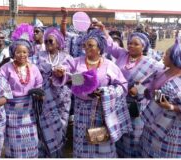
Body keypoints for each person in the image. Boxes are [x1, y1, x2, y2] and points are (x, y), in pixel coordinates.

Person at [53, 29, 132, 158]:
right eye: (85, 45)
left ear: (99, 49)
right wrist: (60, 72)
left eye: (91, 45)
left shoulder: (109, 65)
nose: (86, 48)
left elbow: (123, 86)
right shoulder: (76, 62)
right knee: (82, 142)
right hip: (81, 112)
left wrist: (105, 92)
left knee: (101, 142)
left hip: (102, 111)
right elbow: (68, 76)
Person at [101, 22, 164, 157]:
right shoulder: (123, 55)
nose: (131, 46)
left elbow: (156, 83)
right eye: (130, 43)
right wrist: (103, 30)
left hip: (136, 107)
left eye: (136, 44)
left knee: (134, 136)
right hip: (118, 103)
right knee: (119, 132)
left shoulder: (152, 64)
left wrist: (140, 89)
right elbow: (111, 45)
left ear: (143, 47)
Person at [140, 38, 181, 158]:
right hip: (152, 126)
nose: (163, 55)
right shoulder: (162, 72)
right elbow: (154, 92)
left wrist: (171, 106)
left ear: (175, 58)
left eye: (167, 53)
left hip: (172, 131)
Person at [0, 24, 43, 158]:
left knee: (31, 140)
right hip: (11, 110)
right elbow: (0, 85)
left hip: (29, 111)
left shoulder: (34, 68)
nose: (22, 55)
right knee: (14, 142)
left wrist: (38, 93)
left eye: (25, 52)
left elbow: (39, 83)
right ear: (13, 53)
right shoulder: (6, 68)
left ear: (29, 53)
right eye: (18, 52)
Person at [36, 27, 74, 157]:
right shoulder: (38, 56)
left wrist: (63, 75)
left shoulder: (67, 57)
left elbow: (75, 77)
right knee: (45, 130)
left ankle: (57, 154)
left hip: (62, 101)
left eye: (50, 41)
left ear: (58, 42)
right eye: (45, 41)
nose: (47, 44)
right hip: (45, 99)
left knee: (60, 129)